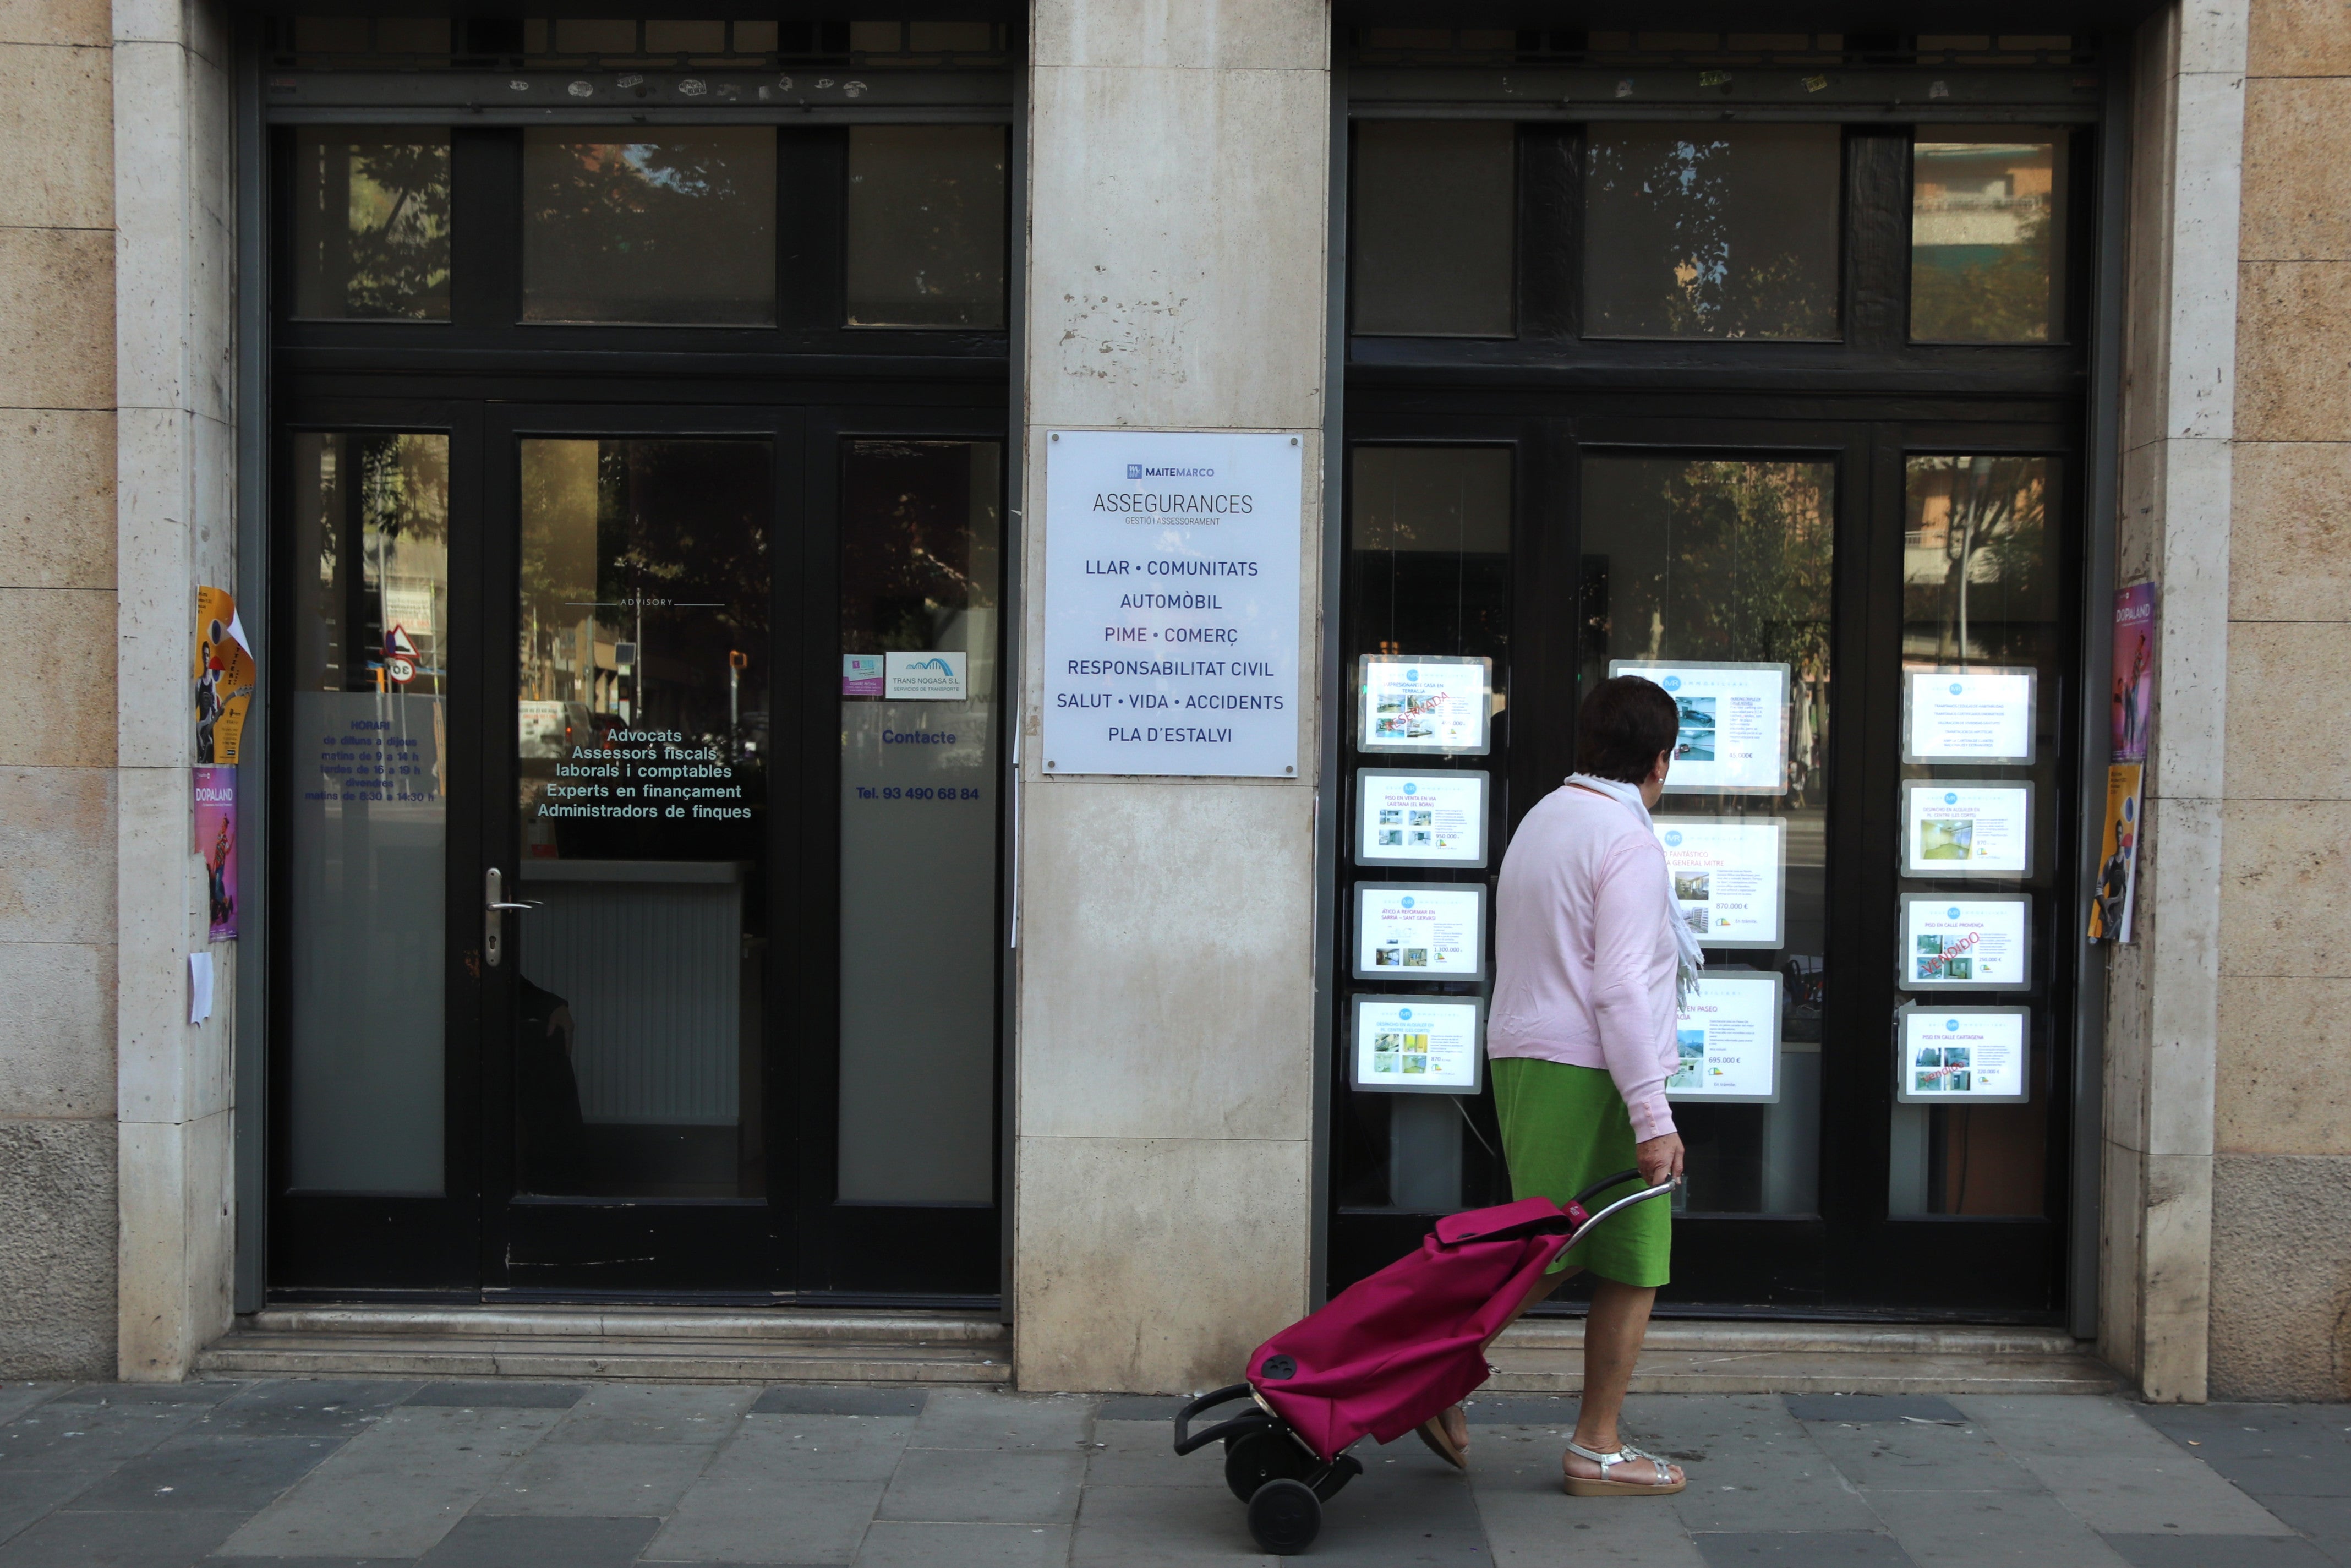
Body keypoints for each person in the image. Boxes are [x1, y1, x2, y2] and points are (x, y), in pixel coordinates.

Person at [1418, 674, 1695, 1495]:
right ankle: (1589, 1443)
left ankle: (1442, 1369)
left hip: (1529, 1051)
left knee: (1565, 1243)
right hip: (1594, 1064)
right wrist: (1652, 1115)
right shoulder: (1628, 841)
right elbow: (1618, 988)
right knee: (1616, 1254)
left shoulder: (1546, 817)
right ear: (1659, 760)